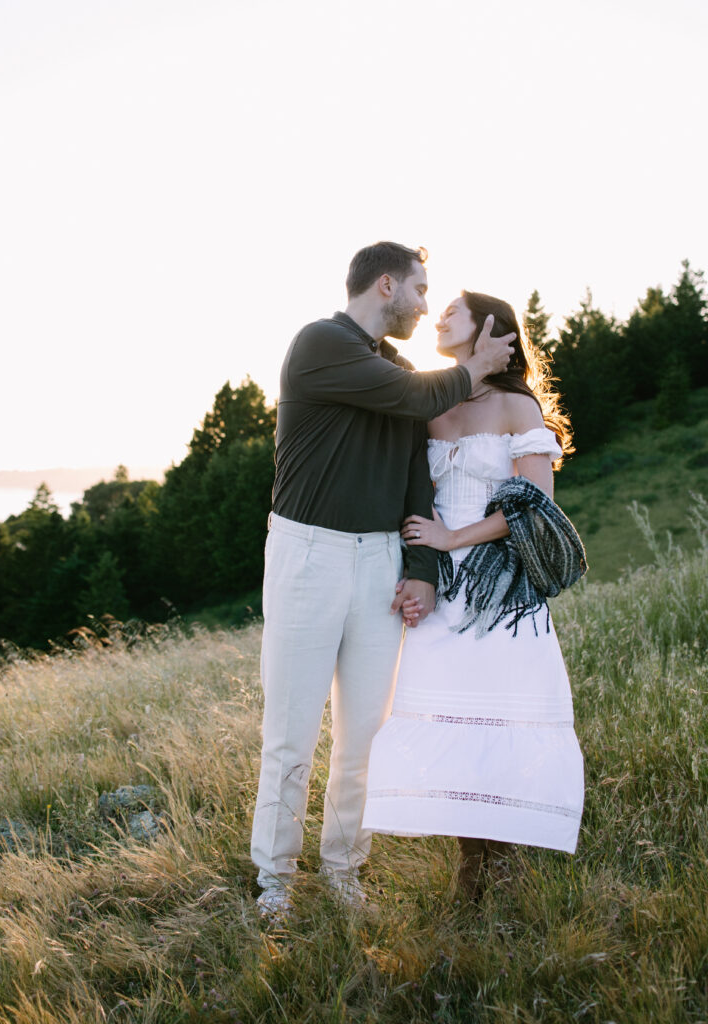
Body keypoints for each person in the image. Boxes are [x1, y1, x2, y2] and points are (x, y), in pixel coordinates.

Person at [250, 245, 516, 917]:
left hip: (379, 563)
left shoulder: (399, 372)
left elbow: (414, 479)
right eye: (420, 290)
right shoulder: (321, 343)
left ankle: (343, 872)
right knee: (290, 734)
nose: (425, 305)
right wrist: (475, 366)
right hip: (308, 556)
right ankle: (275, 883)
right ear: (386, 284)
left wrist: (422, 571)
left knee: (365, 734)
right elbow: (409, 394)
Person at [362, 290, 586, 897]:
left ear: (489, 327)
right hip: (442, 590)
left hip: (500, 591)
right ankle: (470, 867)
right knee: (451, 720)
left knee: (501, 718)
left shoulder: (517, 407)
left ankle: (503, 860)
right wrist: (422, 563)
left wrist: (452, 536)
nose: (438, 319)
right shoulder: (435, 398)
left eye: (451, 312)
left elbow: (535, 504)